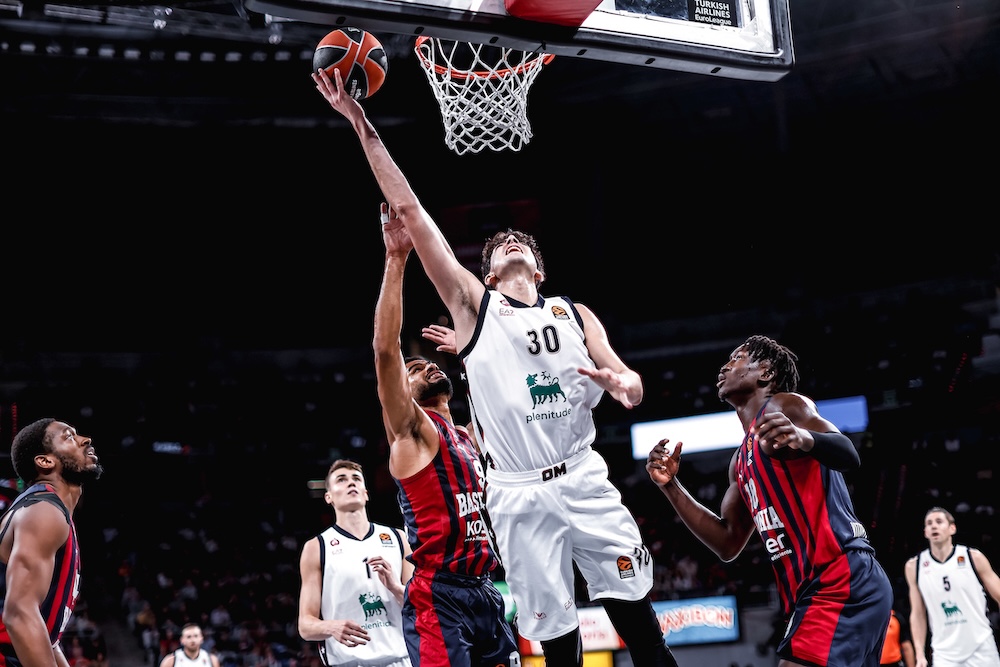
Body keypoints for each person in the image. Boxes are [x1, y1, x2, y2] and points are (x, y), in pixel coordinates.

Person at [315, 67, 679, 667]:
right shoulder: (473, 309)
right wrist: (361, 122)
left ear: (538, 268)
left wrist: (622, 384)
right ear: (488, 275)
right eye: (498, 245)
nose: (511, 242)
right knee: (559, 646)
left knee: (641, 629)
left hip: (584, 476)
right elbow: (409, 208)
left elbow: (633, 386)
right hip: (517, 493)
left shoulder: (575, 312)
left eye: (522, 242)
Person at [645, 334, 893, 667]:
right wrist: (670, 486)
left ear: (765, 372)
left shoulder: (784, 406)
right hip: (812, 591)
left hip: (841, 577)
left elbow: (848, 454)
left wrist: (805, 438)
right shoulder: (740, 462)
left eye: (738, 358)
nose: (726, 365)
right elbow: (728, 542)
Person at [372, 207, 519, 667]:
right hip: (441, 594)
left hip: (487, 590)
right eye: (416, 372)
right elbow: (385, 350)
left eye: (429, 363)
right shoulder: (412, 431)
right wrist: (396, 260)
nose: (428, 366)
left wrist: (474, 351)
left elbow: (511, 388)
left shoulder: (466, 433)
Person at [0, 417, 103, 667]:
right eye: (69, 436)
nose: (85, 440)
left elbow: (44, 633)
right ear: (45, 461)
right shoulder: (43, 512)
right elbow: (19, 615)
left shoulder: (45, 509)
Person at [297, 459, 414, 667]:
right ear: (328, 497)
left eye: (356, 479)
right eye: (341, 480)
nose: (351, 483)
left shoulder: (398, 538)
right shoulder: (316, 547)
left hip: (401, 659)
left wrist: (396, 589)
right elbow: (305, 625)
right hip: (349, 662)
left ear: (366, 493)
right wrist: (331, 627)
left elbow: (422, 608)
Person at [904, 506, 1000, 667]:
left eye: (939, 521)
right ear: (925, 532)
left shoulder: (973, 557)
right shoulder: (914, 566)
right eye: (929, 523)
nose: (933, 526)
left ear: (952, 528)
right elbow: (918, 613)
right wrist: (920, 653)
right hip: (944, 655)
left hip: (982, 648)